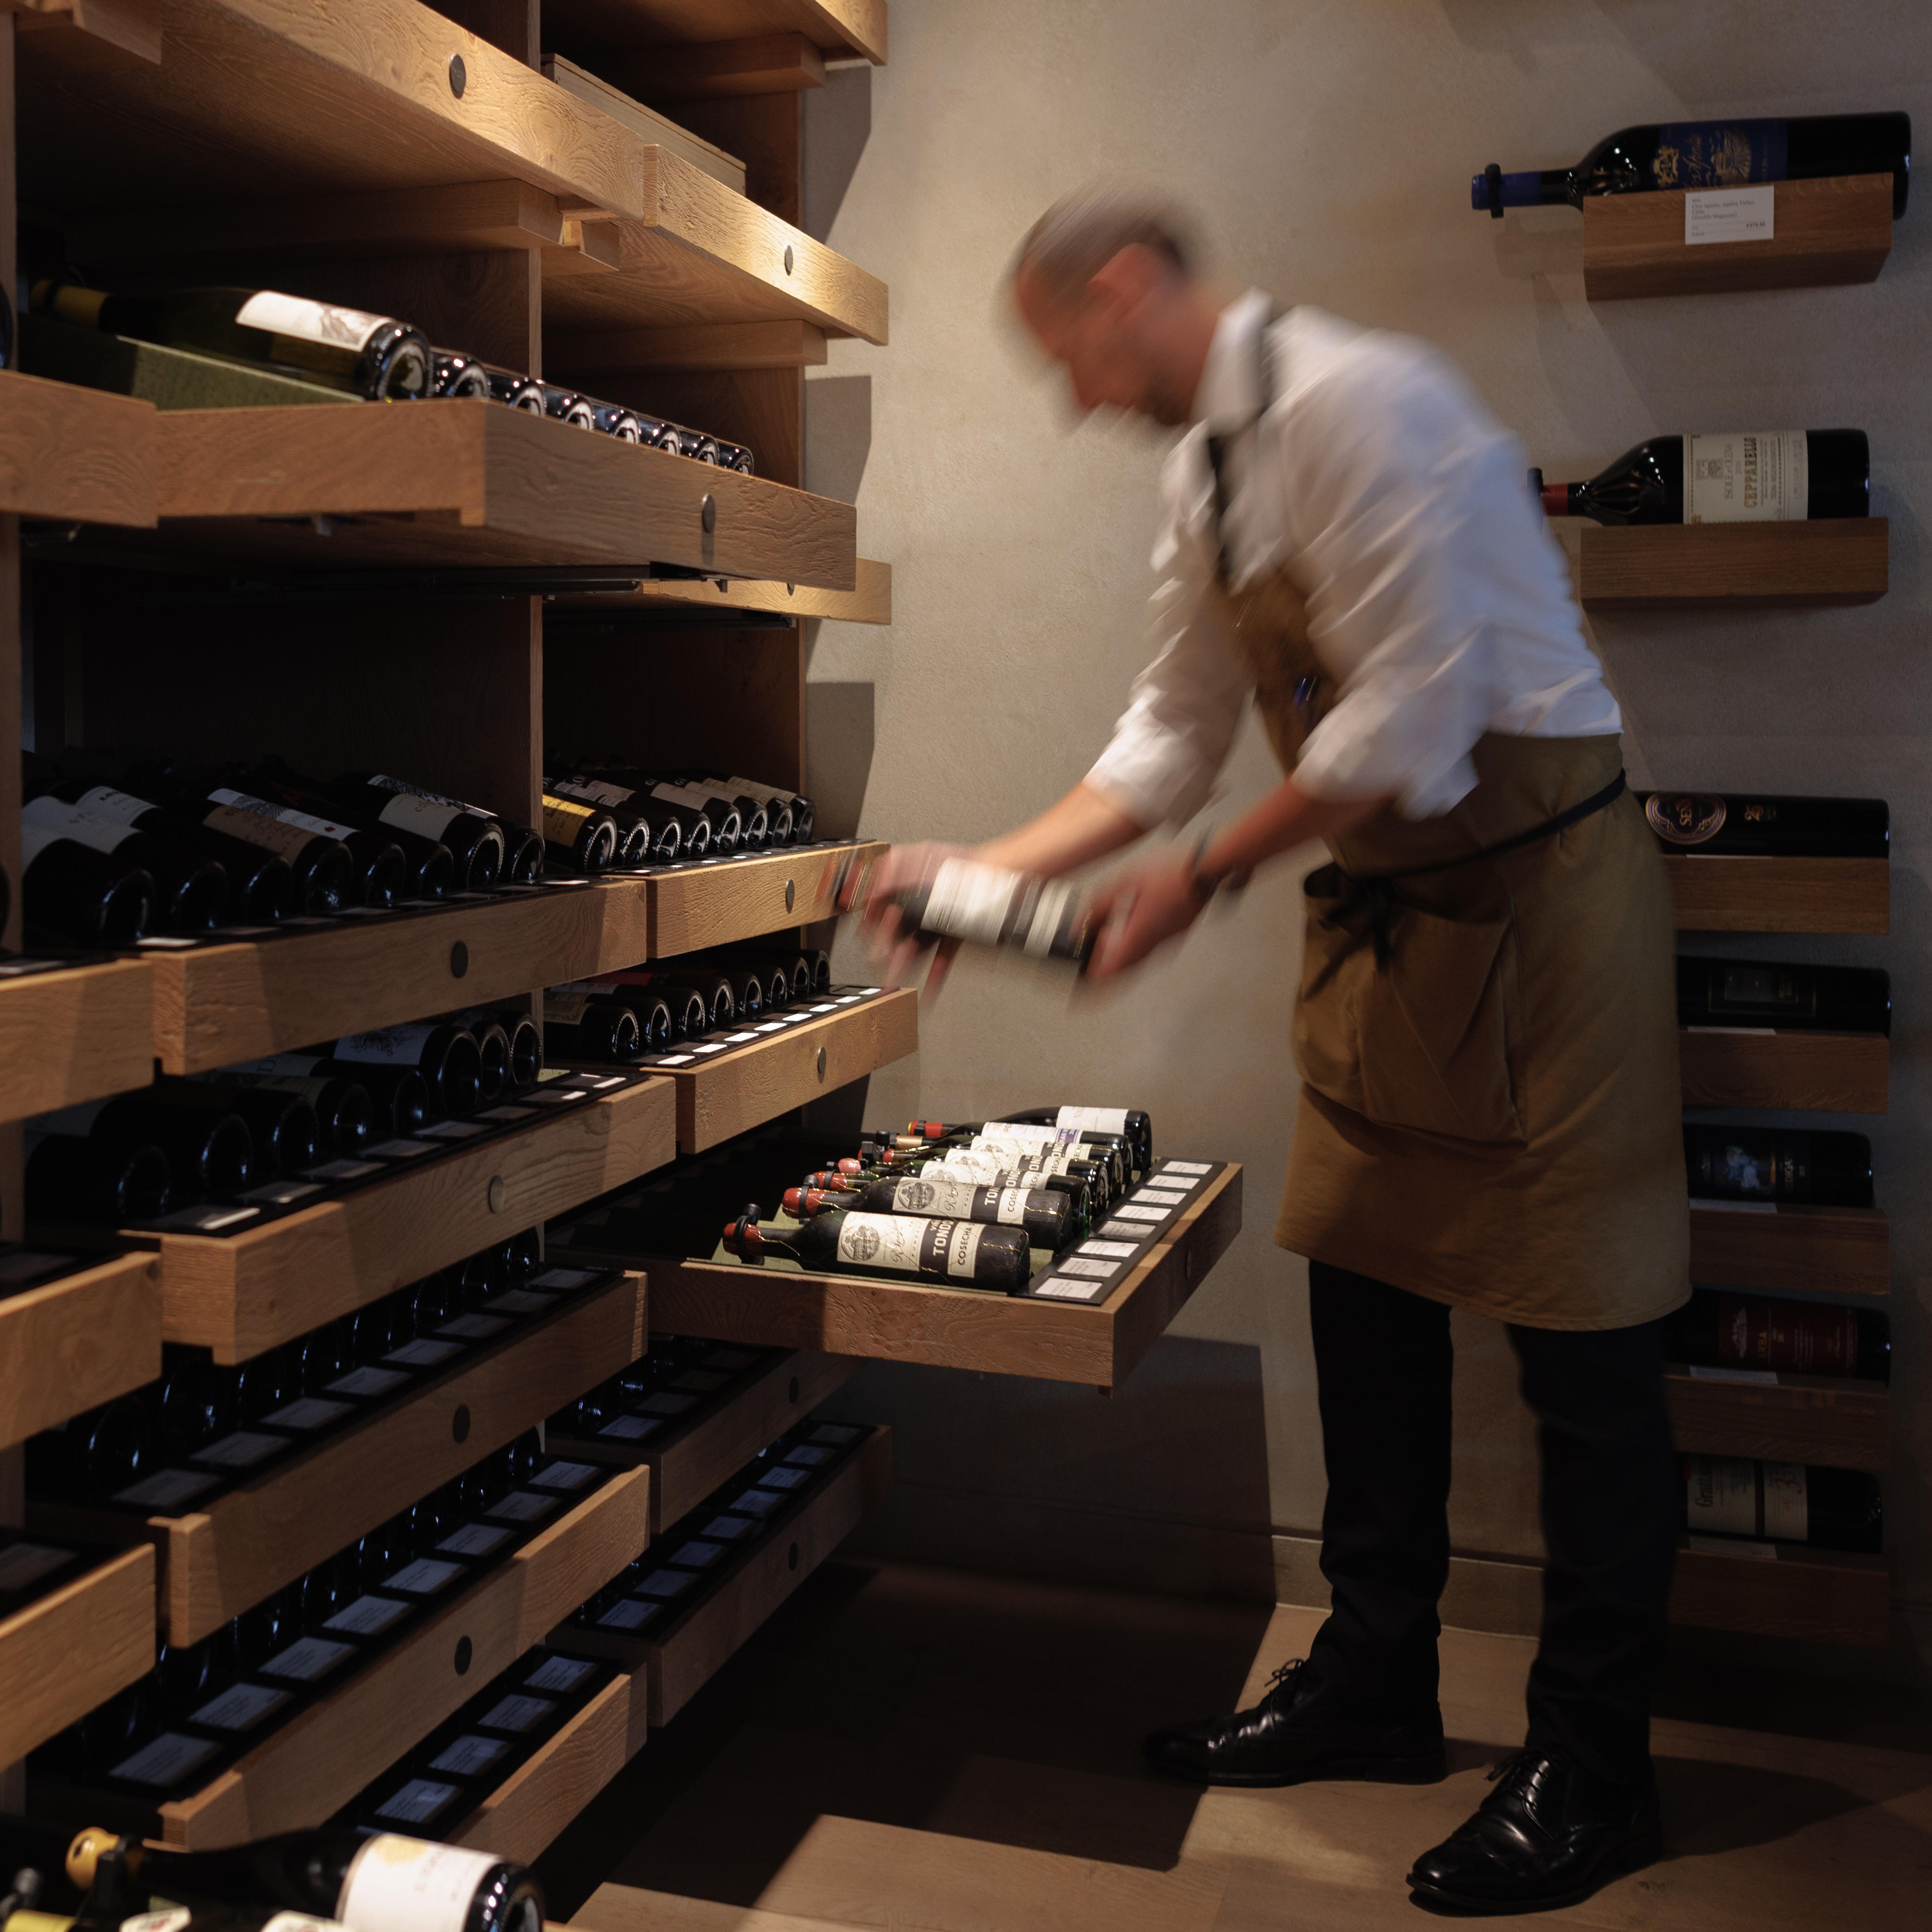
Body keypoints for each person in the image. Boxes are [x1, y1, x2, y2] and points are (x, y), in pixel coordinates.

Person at [851, 188, 1689, 1917]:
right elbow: (1169, 731)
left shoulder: (1362, 404)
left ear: (1128, 285)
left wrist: (1198, 882)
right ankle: (1378, 1685)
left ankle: (1598, 1768)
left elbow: (1414, 719)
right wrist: (982, 874)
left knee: (1586, 1359)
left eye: (1068, 354)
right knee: (1366, 1299)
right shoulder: (1208, 468)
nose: (1076, 398)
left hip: (1539, 919)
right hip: (1398, 925)